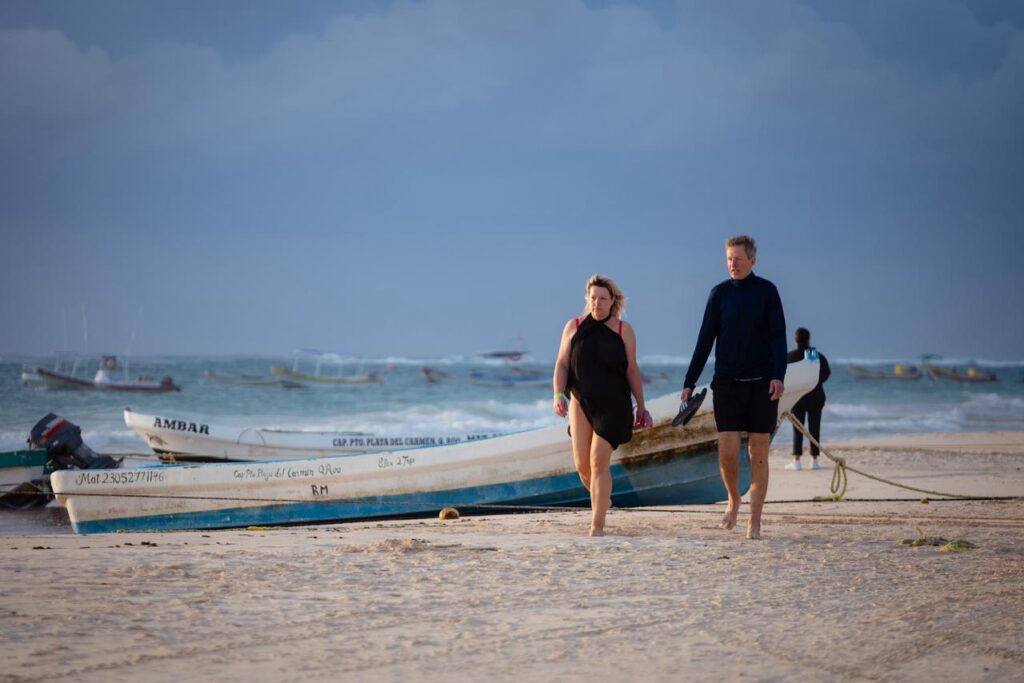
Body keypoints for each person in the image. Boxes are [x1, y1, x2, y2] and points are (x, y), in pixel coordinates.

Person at [680, 235, 786, 540]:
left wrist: (778, 375)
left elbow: (779, 337)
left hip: (761, 384)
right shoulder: (719, 294)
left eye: (738, 259)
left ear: (752, 260)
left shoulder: (767, 292)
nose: (733, 264)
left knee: (758, 452)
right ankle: (733, 497)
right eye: (729, 259)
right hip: (726, 383)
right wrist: (689, 381)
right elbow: (704, 340)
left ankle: (755, 519)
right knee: (727, 449)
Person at [553, 274, 650, 537]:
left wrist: (641, 407)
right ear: (588, 299)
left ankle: (597, 525)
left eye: (603, 299)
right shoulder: (573, 327)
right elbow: (562, 364)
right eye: (593, 298)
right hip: (580, 400)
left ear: (612, 301)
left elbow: (632, 370)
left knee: (598, 463)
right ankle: (603, 501)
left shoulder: (623, 330)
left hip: (614, 404)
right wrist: (557, 395)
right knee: (582, 466)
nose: (597, 303)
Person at [785, 327, 831, 470]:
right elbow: (826, 373)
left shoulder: (790, 356)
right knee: (814, 428)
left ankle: (797, 461)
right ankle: (814, 460)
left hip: (797, 399)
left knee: (797, 429)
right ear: (808, 339)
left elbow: (784, 375)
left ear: (795, 340)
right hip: (815, 398)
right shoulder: (815, 355)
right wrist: (815, 383)